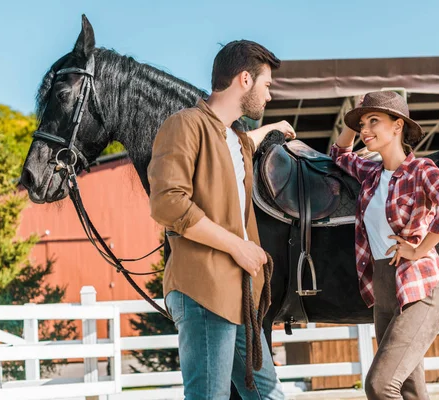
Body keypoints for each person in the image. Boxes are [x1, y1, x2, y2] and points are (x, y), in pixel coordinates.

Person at [147, 40, 296, 400]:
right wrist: (239, 247)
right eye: (266, 85)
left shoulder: (236, 140)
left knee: (268, 395)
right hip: (204, 290)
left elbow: (244, 143)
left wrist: (274, 128)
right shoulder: (184, 125)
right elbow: (168, 203)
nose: (269, 95)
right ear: (245, 79)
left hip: (238, 293)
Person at [331, 90, 439, 400]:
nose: (365, 130)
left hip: (420, 286)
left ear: (398, 125)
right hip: (383, 288)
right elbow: (339, 154)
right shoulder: (370, 174)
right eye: (363, 124)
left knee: (380, 385)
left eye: (373, 121)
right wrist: (354, 118)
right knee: (409, 389)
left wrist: (420, 248)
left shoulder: (421, 171)